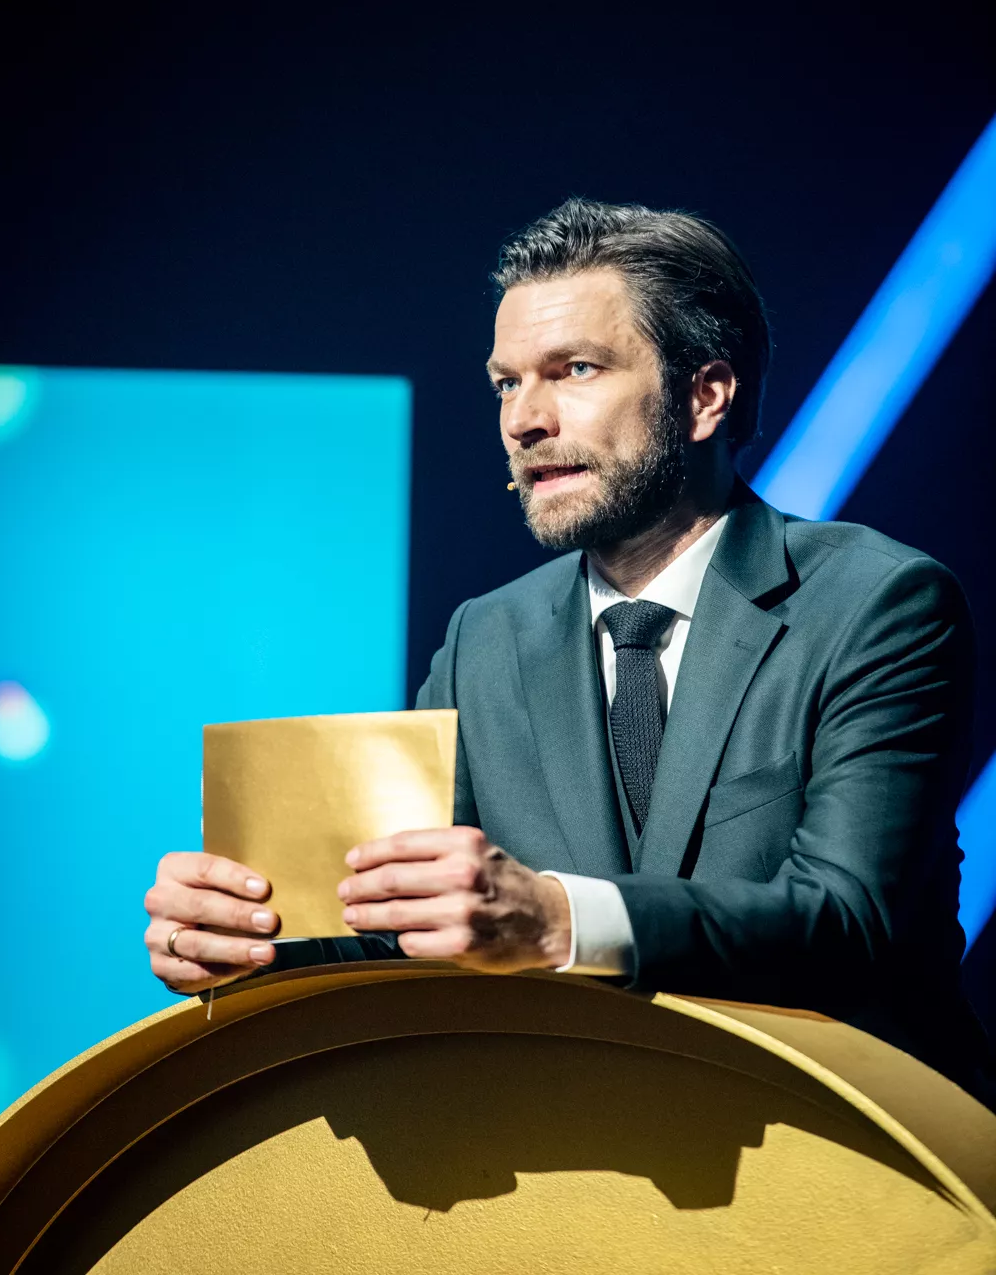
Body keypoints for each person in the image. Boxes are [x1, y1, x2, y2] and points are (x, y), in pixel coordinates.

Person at [144, 197, 992, 1101]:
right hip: (574, 1152)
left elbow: (847, 920)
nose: (524, 420)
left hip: (841, 1145)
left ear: (705, 395)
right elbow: (403, 928)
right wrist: (250, 941)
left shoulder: (877, 602)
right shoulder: (484, 637)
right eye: (506, 384)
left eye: (574, 370)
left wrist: (558, 919)